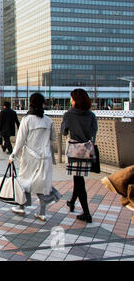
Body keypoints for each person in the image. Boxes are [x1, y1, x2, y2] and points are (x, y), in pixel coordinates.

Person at [10, 93, 62, 222]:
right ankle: (42, 213)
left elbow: (20, 140)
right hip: (45, 157)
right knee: (42, 183)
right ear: (43, 104)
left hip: (30, 156)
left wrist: (13, 155)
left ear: (30, 103)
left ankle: (21, 206)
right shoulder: (48, 120)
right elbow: (54, 138)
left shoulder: (26, 120)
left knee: (24, 181)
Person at [61, 89, 98, 223]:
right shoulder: (91, 115)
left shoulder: (68, 114)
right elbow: (93, 133)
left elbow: (64, 132)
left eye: (71, 98)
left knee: (78, 181)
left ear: (75, 100)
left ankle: (87, 213)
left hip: (74, 150)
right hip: (87, 149)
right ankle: (71, 202)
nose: (70, 100)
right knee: (78, 178)